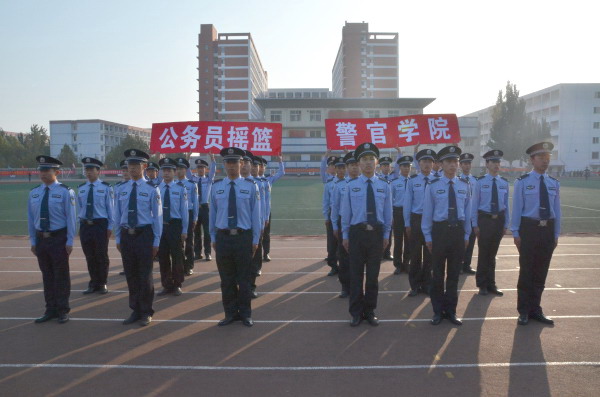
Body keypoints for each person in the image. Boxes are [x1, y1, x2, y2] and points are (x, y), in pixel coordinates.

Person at [341, 143, 392, 327]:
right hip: (356, 234)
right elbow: (345, 213)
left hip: (376, 235)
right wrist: (345, 235)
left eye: (371, 159)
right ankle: (355, 313)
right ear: (359, 164)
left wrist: (386, 234)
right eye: (364, 159)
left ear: (377, 162)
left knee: (372, 276)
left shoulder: (384, 186)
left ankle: (370, 311)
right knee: (356, 276)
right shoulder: (351, 185)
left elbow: (388, 213)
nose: (368, 163)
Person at [210, 147, 262, 327]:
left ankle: (246, 314)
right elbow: (213, 214)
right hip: (223, 238)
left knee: (244, 279)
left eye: (235, 162)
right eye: (228, 163)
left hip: (243, 237)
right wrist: (213, 237)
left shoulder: (250, 186)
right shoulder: (217, 187)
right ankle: (230, 313)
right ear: (223, 164)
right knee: (227, 279)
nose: (231, 166)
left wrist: (255, 240)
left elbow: (256, 216)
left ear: (241, 164)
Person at [511, 142, 561, 326]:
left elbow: (557, 210)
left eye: (547, 157)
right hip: (529, 229)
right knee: (527, 271)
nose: (545, 161)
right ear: (532, 160)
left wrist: (556, 233)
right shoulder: (523, 182)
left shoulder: (553, 183)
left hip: (547, 230)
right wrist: (515, 232)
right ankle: (523, 310)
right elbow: (516, 208)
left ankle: (536, 309)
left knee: (541, 272)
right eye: (541, 157)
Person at [422, 146, 471, 326]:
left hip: (457, 232)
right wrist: (428, 236)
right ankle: (437, 311)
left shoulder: (464, 185)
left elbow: (468, 212)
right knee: (437, 274)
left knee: (454, 274)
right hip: (440, 232)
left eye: (455, 162)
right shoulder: (433, 186)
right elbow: (427, 213)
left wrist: (466, 235)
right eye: (449, 162)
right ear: (441, 164)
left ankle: (451, 311)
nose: (453, 165)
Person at [114, 149, 162, 326]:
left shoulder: (152, 189)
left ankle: (146, 311)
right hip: (127, 235)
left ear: (144, 166)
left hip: (144, 235)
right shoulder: (121, 189)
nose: (132, 169)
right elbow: (117, 215)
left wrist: (156, 241)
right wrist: (118, 238)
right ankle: (134, 309)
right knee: (131, 274)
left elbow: (157, 217)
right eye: (130, 166)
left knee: (145, 274)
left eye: (136, 166)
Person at [28, 156, 77, 324]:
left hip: (58, 239)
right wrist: (33, 241)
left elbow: (71, 218)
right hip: (41, 239)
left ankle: (63, 309)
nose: (42, 173)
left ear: (56, 172)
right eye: (41, 170)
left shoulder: (65, 191)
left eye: (46, 170)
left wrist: (70, 240)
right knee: (47, 275)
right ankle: (50, 309)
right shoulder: (34, 193)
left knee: (61, 275)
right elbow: (30, 219)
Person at [472, 150, 509, 296]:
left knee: (492, 253)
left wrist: (506, 223)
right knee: (484, 253)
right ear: (487, 164)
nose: (496, 165)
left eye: (498, 162)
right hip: (485, 220)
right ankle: (482, 284)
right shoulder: (480, 182)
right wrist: (475, 224)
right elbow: (474, 205)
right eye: (493, 162)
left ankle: (491, 284)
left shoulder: (503, 183)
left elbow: (506, 205)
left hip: (498, 220)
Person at [78, 157, 114, 295]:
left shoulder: (106, 188)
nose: (88, 172)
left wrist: (110, 226)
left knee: (101, 255)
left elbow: (110, 208)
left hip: (100, 224)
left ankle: (102, 283)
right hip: (86, 225)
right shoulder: (81, 188)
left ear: (98, 171)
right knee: (90, 256)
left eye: (91, 169)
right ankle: (93, 283)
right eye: (86, 170)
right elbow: (80, 209)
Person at [404, 149, 437, 296]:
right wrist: (407, 223)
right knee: (416, 255)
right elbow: (407, 203)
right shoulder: (413, 181)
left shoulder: (438, 180)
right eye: (424, 161)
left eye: (430, 161)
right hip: (417, 220)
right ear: (419, 163)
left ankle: (427, 284)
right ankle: (415, 285)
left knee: (430, 254)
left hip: (432, 221)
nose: (427, 164)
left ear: (433, 163)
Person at [156, 158, 188, 296]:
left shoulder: (181, 189)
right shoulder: (156, 189)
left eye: (169, 170)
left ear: (175, 172)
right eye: (164, 170)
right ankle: (166, 284)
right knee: (163, 257)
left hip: (175, 225)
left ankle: (177, 284)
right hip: (161, 226)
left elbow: (184, 211)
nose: (167, 173)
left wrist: (184, 230)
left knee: (177, 257)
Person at [331, 152, 360, 298]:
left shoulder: (365, 184)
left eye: (356, 165)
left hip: (359, 225)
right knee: (344, 257)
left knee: (359, 258)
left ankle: (357, 287)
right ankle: (345, 286)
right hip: (345, 225)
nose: (354, 168)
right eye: (351, 165)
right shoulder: (340, 185)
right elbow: (335, 207)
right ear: (347, 167)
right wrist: (335, 227)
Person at [242, 151, 265, 299]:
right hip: (235, 230)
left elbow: (260, 207)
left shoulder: (257, 184)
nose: (243, 166)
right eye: (241, 162)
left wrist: (261, 225)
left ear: (251, 166)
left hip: (251, 228)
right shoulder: (224, 184)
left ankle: (250, 287)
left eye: (246, 163)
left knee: (251, 261)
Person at [175, 158, 199, 276]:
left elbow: (195, 202)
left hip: (188, 214)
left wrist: (195, 218)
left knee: (189, 241)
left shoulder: (191, 184)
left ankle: (189, 265)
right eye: (177, 169)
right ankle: (180, 265)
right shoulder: (172, 185)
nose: (179, 171)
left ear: (185, 170)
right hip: (176, 216)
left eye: (181, 169)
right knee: (177, 243)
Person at [259, 156, 285, 262]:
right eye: (258, 165)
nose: (261, 168)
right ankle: (254, 254)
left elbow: (281, 173)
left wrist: (280, 161)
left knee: (266, 234)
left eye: (263, 166)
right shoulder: (249, 180)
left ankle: (266, 253)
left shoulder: (268, 179)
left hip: (266, 212)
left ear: (265, 168)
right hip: (253, 211)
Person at [390, 155, 413, 274]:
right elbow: (390, 201)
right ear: (399, 167)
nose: (406, 168)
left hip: (409, 213)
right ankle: (398, 265)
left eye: (408, 166)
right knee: (398, 240)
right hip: (398, 213)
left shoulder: (413, 181)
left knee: (409, 239)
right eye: (404, 166)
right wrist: (391, 217)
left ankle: (406, 263)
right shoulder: (394, 183)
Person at [191, 155, 216, 261]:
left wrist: (213, 159)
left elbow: (213, 171)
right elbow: (187, 171)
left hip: (205, 208)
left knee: (207, 232)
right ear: (197, 169)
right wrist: (188, 157)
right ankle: (197, 253)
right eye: (199, 167)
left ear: (205, 169)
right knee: (196, 232)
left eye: (202, 168)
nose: (201, 169)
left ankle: (207, 253)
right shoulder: (193, 179)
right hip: (195, 207)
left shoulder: (209, 179)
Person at [323, 156, 344, 276]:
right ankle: (333, 266)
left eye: (343, 168)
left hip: (346, 216)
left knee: (344, 242)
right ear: (335, 169)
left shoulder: (349, 183)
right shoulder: (329, 184)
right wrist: (326, 217)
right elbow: (326, 202)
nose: (341, 170)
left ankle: (343, 265)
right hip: (333, 215)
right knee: (332, 242)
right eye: (339, 168)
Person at [459, 153, 477, 275]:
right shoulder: (457, 181)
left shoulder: (476, 181)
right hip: (461, 217)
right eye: (465, 163)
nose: (467, 166)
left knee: (470, 242)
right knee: (460, 243)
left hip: (472, 216)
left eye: (469, 163)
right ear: (460, 165)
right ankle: (459, 265)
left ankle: (467, 265)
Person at [115, 159, 130, 276]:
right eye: (123, 170)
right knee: (125, 250)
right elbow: (117, 210)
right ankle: (127, 268)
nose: (125, 172)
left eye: (127, 170)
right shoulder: (119, 187)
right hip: (125, 224)